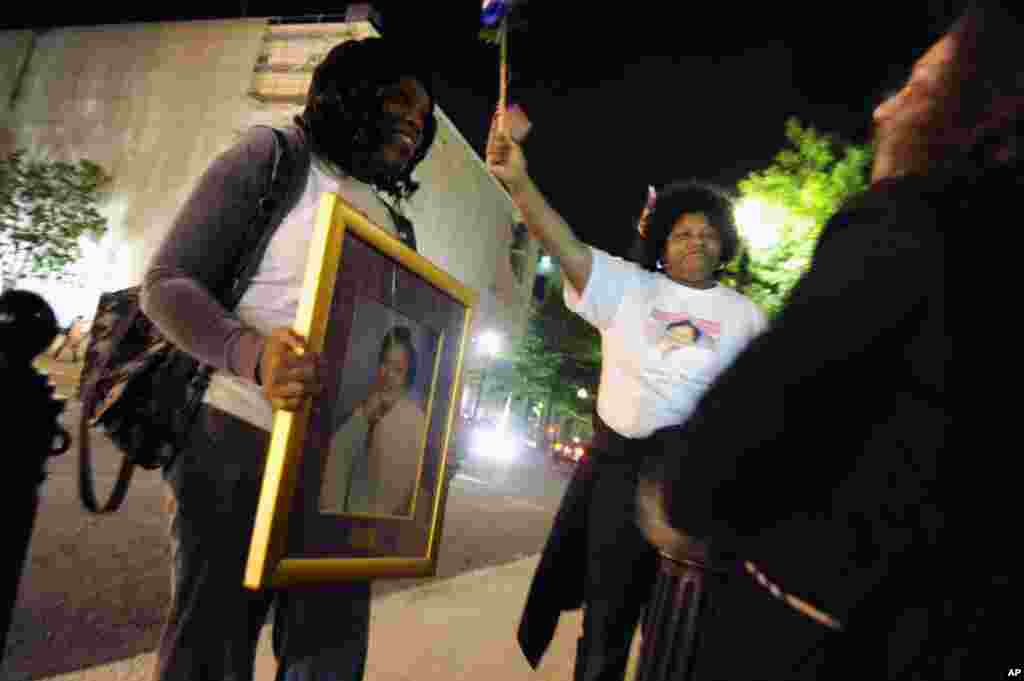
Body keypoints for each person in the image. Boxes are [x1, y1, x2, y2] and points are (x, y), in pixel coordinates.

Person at [639, 2, 1016, 677]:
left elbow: (739, 436)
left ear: (967, 111)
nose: (880, 112)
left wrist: (683, 489)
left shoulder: (908, 226)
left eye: (917, 89)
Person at [140, 37, 437, 681]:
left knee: (329, 660)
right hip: (235, 442)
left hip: (337, 476)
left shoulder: (394, 220)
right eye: (400, 102)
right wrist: (253, 354)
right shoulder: (272, 159)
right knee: (209, 654)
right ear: (348, 94)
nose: (415, 121)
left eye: (424, 115)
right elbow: (166, 284)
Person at [487, 115, 767, 680]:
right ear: (661, 241)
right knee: (606, 628)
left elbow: (762, 404)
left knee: (678, 636)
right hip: (617, 480)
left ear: (725, 247)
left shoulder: (747, 314)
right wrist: (518, 182)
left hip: (691, 488)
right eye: (684, 232)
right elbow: (560, 241)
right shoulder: (626, 287)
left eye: (709, 234)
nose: (697, 241)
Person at [319, 326, 426, 517]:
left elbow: (403, 488)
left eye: (398, 369)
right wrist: (362, 418)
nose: (388, 374)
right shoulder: (366, 406)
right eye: (385, 363)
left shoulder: (415, 419)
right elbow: (336, 456)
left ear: (408, 374)